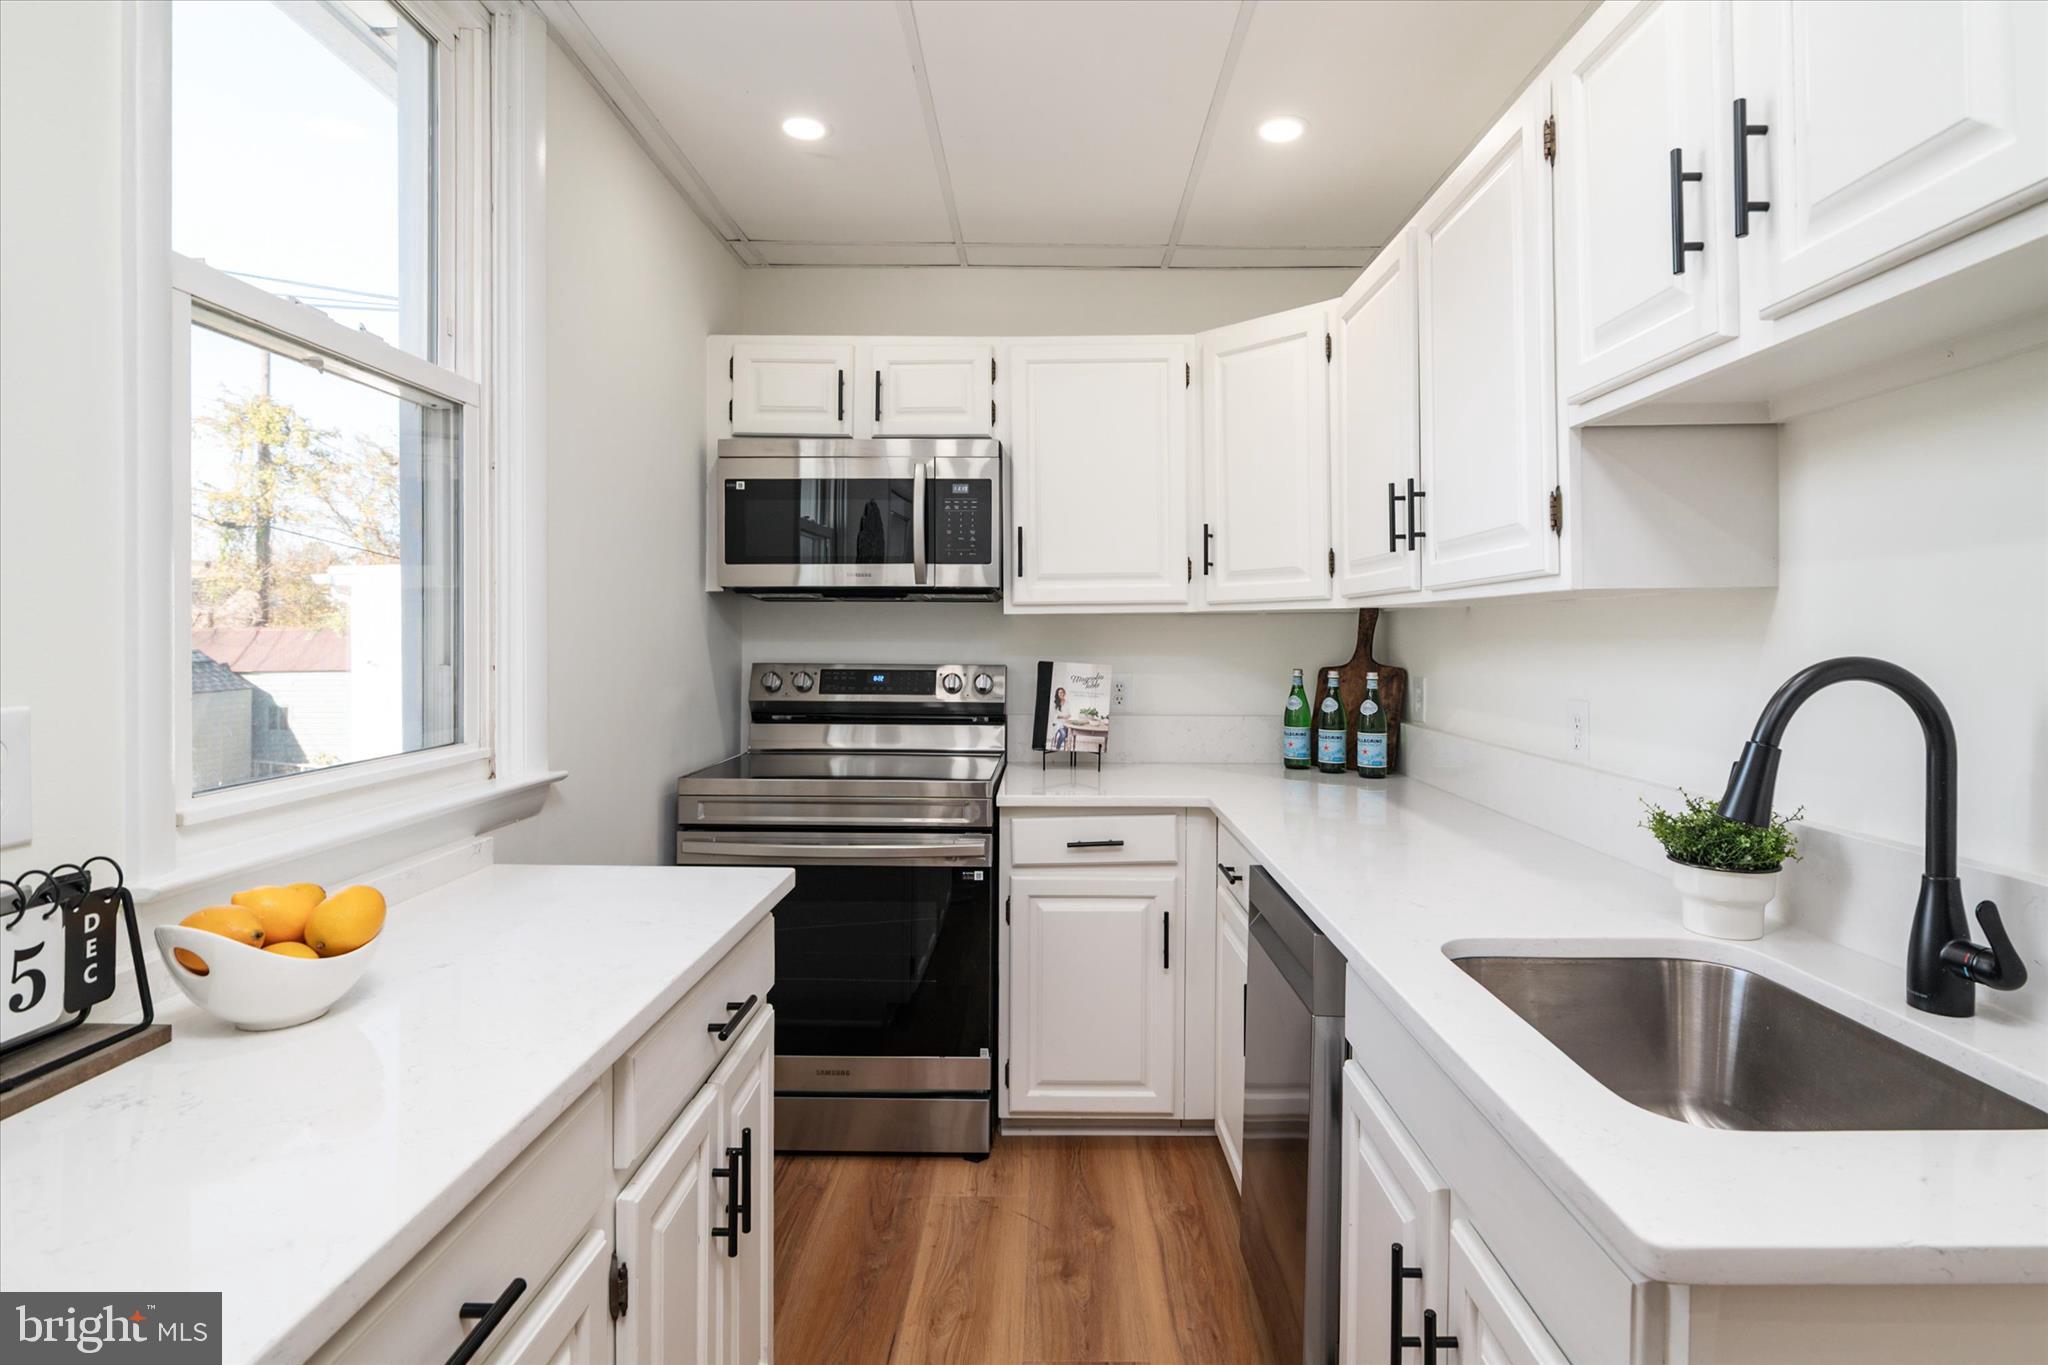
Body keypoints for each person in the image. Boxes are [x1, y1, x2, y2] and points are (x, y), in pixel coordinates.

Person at [1050, 685, 1071, 750]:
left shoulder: (1067, 702)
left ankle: (1066, 748)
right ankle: (1058, 748)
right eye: (1060, 692)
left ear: (1064, 693)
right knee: (1063, 734)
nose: (1061, 694)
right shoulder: (1054, 703)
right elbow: (1054, 715)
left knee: (1070, 733)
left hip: (1065, 723)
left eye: (1062, 692)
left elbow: (1069, 713)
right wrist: (1063, 716)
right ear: (1057, 694)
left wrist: (1068, 716)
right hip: (1057, 723)